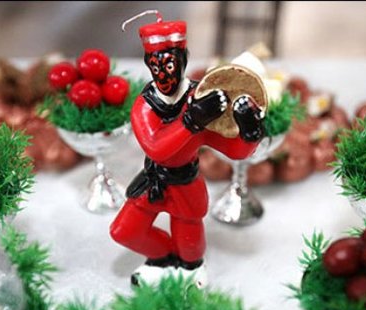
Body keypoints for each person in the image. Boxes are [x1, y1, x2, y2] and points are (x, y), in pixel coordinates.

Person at [110, 11, 265, 285]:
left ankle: (190, 269)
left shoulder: (202, 98)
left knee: (190, 242)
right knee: (124, 231)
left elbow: (233, 150)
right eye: (155, 67)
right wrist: (191, 120)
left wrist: (249, 131)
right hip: (153, 180)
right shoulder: (145, 105)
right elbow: (156, 148)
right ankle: (162, 258)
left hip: (185, 183)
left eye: (169, 65)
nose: (162, 75)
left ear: (183, 60)